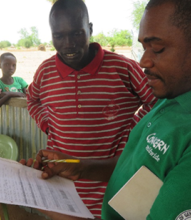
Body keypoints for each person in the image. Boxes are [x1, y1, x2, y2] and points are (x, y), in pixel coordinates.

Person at [22, 0, 191, 219]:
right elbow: (142, 166)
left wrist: (43, 204)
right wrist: (81, 167)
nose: (144, 60)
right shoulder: (176, 96)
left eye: (157, 48)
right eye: (144, 48)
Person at [26, 0, 156, 217]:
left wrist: (133, 130)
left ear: (90, 29)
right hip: (63, 189)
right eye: (59, 36)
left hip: (112, 185)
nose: (68, 44)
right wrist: (48, 124)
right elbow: (32, 100)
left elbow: (156, 100)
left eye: (76, 33)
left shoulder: (122, 68)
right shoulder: (46, 71)